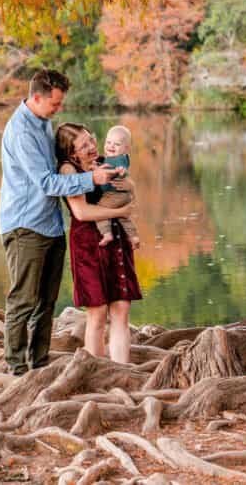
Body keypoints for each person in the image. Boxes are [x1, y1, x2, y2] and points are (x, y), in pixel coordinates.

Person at [0, 69, 117, 376]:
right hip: (25, 226)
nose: (58, 109)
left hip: (50, 225)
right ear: (36, 98)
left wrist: (95, 162)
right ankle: (16, 369)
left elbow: (64, 162)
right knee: (23, 300)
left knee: (46, 302)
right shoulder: (23, 132)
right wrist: (91, 179)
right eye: (54, 103)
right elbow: (48, 183)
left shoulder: (43, 123)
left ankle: (38, 365)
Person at [55, 122, 141, 363]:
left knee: (121, 309)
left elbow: (128, 186)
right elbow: (81, 212)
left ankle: (122, 370)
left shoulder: (105, 161)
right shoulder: (68, 170)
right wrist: (121, 211)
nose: (93, 146)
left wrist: (129, 188)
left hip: (117, 238)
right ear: (72, 152)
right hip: (88, 244)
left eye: (91, 140)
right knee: (98, 312)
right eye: (84, 145)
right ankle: (96, 370)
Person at [94, 125, 140, 248]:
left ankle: (107, 233)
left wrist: (121, 171)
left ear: (126, 148)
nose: (111, 146)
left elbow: (122, 168)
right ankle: (134, 237)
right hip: (123, 196)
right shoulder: (121, 157)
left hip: (113, 195)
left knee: (99, 211)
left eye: (117, 144)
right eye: (108, 142)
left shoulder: (118, 160)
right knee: (123, 218)